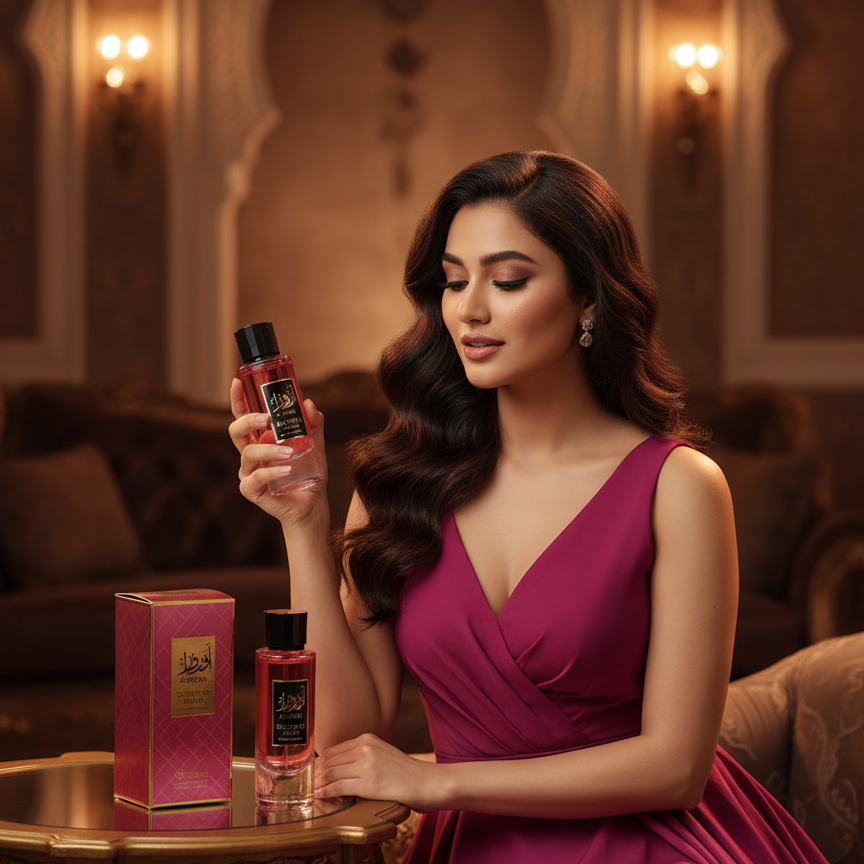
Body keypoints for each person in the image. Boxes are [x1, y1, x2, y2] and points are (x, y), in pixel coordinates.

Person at [230, 151, 828, 863]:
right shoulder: (397, 485)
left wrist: (439, 782)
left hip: (653, 844)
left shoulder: (679, 486)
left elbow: (676, 769)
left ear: (588, 298)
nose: (470, 308)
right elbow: (343, 735)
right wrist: (303, 523)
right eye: (453, 281)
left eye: (508, 279)